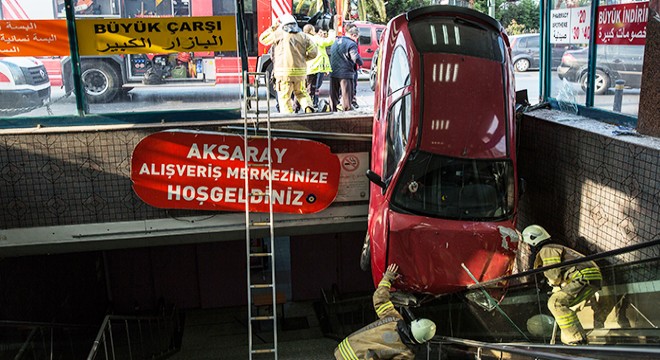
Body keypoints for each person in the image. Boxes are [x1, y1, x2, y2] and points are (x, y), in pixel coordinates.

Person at [333, 263, 436, 359]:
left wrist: (388, 278)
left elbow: (380, 299)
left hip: (344, 350)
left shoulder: (394, 320)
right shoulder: (406, 353)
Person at [522, 225, 603, 345]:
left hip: (583, 277)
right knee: (566, 310)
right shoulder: (556, 247)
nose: (528, 249)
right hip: (591, 278)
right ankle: (570, 341)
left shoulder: (547, 249)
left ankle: (577, 340)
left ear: (533, 240)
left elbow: (553, 275)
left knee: (555, 303)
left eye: (528, 245)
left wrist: (553, 284)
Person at [258, 14, 318, 114]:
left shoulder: (278, 34)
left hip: (283, 74)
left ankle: (289, 118)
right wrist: (302, 59)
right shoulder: (303, 36)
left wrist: (273, 27)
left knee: (284, 98)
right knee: (302, 93)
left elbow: (262, 39)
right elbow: (314, 52)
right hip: (300, 73)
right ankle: (308, 108)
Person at [329, 26, 363, 112]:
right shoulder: (351, 44)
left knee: (334, 95)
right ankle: (347, 114)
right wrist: (360, 62)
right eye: (356, 37)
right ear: (353, 35)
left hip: (333, 72)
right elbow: (355, 57)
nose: (356, 39)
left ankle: (332, 112)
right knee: (346, 96)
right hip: (345, 73)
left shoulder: (336, 42)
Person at [303, 24, 336, 108]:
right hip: (315, 66)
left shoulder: (303, 38)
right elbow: (328, 42)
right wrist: (332, 32)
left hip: (308, 66)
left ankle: (310, 103)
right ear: (311, 31)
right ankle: (311, 104)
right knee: (312, 87)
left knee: (308, 86)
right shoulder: (314, 38)